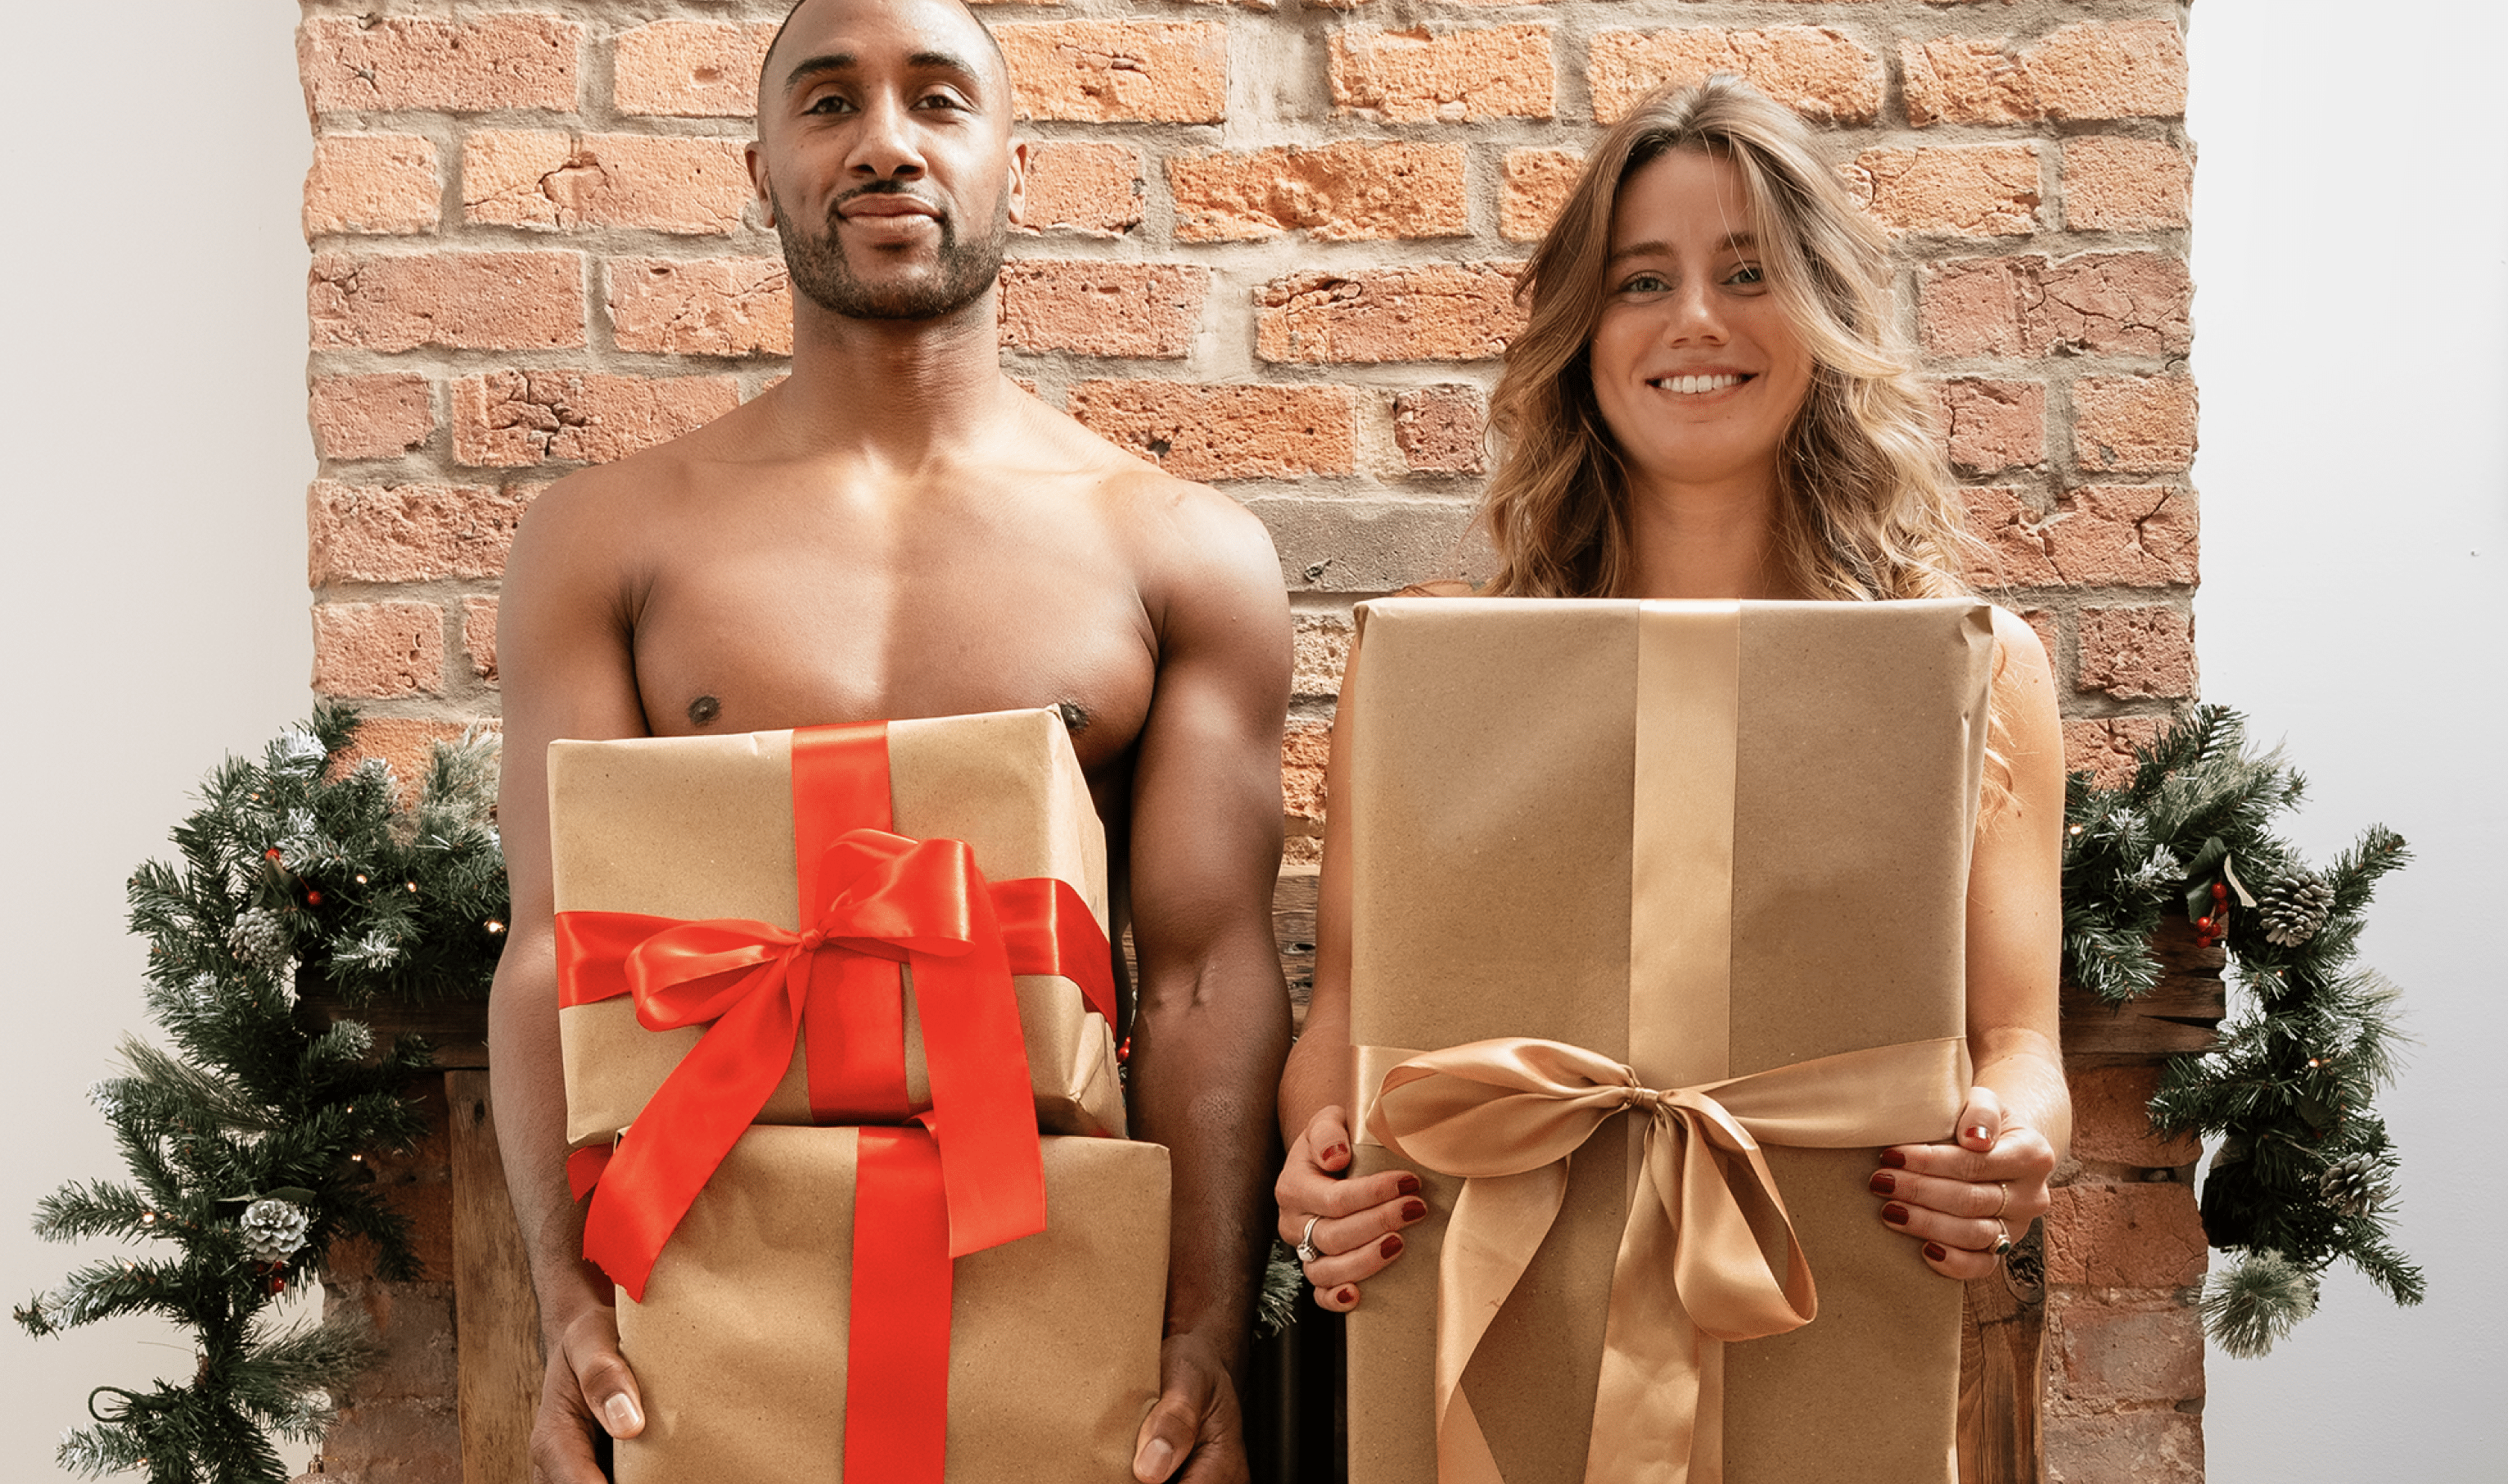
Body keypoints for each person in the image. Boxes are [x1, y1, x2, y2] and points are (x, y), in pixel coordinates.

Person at [486, 0, 1292, 1480]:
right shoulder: (604, 541)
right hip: (705, 1294)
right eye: (827, 103)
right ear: (759, 170)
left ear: (1015, 165)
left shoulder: (1179, 551)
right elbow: (556, 947)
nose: (884, 145)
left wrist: (1202, 1335)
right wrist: (566, 1308)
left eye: (936, 99)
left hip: (1052, 1290)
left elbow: (1201, 977)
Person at [1274, 76, 2070, 1312]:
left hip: (1839, 1311)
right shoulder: (1429, 669)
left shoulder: (1977, 669)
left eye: (1748, 274)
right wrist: (1320, 1158)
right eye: (1642, 281)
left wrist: (2010, 1141)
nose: (1696, 318)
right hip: (1496, 1317)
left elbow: (2020, 1043)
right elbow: (1347, 1012)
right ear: (1583, 335)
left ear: (1823, 311)